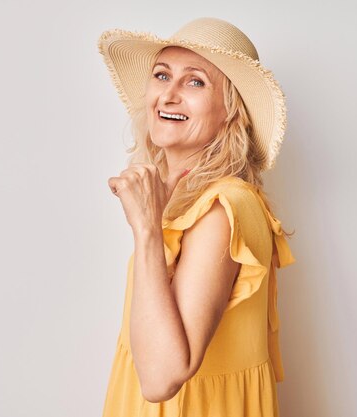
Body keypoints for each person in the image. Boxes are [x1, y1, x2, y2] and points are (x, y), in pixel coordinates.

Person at [97, 17, 296, 416]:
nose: (168, 95)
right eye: (161, 75)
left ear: (230, 111)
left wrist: (147, 230)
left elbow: (160, 378)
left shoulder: (223, 207)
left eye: (195, 82)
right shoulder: (180, 196)